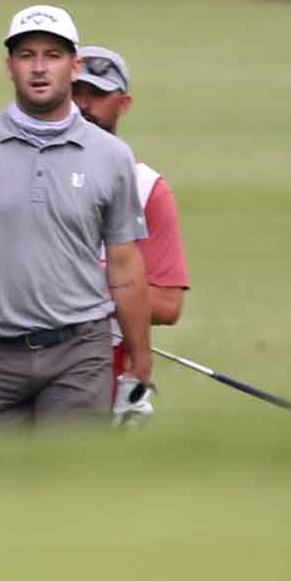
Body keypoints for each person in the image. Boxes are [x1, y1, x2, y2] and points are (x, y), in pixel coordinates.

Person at [0, 5, 153, 427]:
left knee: (67, 481)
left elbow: (124, 265)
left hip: (79, 350)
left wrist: (140, 360)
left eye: (53, 54)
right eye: (27, 55)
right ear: (9, 66)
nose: (40, 67)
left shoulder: (110, 156)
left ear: (74, 65)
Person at [72, 44, 191, 406]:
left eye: (97, 94)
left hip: (100, 365)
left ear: (123, 104)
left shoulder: (146, 189)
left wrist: (86, 290)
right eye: (75, 92)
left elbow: (168, 304)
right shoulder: (21, 170)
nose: (83, 105)